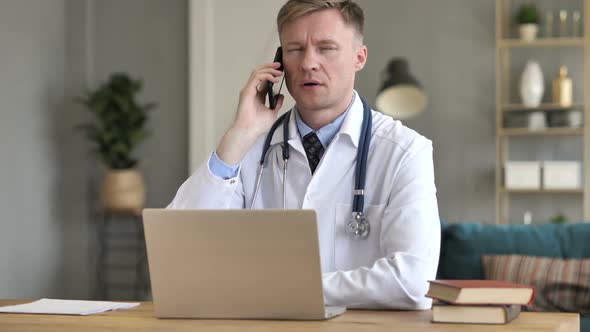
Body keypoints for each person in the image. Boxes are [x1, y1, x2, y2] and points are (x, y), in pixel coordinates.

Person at [168, 0, 440, 310]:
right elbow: (178, 250)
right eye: (295, 49)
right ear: (279, 63)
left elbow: (413, 283)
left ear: (359, 57)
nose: (309, 62)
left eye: (326, 48)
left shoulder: (405, 152)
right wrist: (239, 134)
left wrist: (290, 289)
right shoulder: (251, 148)